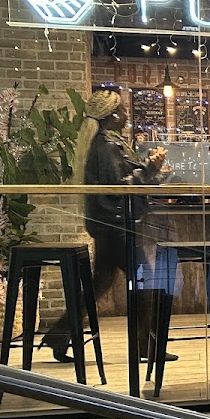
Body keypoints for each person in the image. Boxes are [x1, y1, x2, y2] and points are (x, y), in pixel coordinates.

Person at [43, 88, 175, 362]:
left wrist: (153, 170)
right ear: (112, 115)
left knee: (99, 285)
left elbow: (123, 180)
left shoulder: (102, 143)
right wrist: (150, 168)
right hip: (117, 227)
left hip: (107, 226)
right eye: (123, 109)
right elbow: (117, 187)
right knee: (148, 283)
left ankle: (59, 334)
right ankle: (145, 347)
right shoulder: (105, 145)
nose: (127, 114)